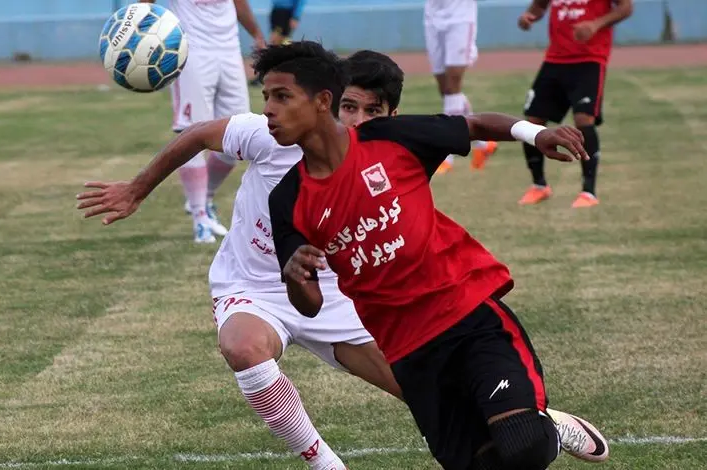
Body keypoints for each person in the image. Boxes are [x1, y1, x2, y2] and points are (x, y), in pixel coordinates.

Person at [77, 47, 609, 469]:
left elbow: (466, 129)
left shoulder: (386, 146)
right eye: (350, 107)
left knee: (445, 403)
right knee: (243, 347)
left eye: (369, 110)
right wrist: (137, 188)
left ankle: (540, 421)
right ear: (330, 103)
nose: (357, 119)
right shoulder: (273, 150)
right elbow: (197, 135)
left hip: (348, 296)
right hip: (255, 286)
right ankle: (325, 463)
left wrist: (533, 132)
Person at [260, 41, 601, 470]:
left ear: (322, 100)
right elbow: (309, 305)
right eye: (266, 97)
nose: (268, 110)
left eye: (282, 96)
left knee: (525, 445)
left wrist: (537, 134)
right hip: (408, 352)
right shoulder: (287, 198)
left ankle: (548, 427)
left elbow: (474, 124)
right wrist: (294, 276)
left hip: (467, 316)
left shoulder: (389, 138)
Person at [141, 0, 265, 242]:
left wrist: (257, 34)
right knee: (192, 133)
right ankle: (200, 219)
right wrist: (144, 32)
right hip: (191, 51)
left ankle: (203, 199)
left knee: (238, 138)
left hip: (230, 50)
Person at [516, 0, 633, 207]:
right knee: (533, 120)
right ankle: (539, 185)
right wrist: (528, 17)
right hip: (555, 59)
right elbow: (539, 6)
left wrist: (595, 24)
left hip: (590, 58)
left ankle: (588, 192)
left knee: (583, 119)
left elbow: (626, 7)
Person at [423, 0, 498, 174]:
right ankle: (483, 144)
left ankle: (447, 154)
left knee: (452, 87)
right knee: (446, 90)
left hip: (460, 17)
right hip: (432, 17)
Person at [249, 0, 307, 87]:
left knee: (275, 45)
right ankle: (268, 75)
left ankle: (264, 75)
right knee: (277, 45)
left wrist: (296, 16)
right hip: (276, 11)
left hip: (286, 12)